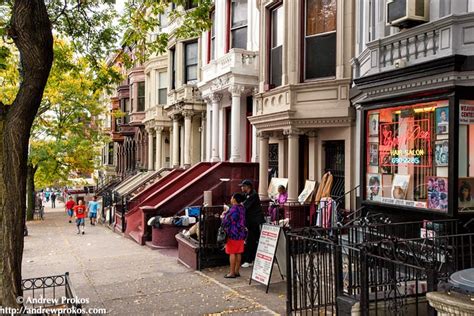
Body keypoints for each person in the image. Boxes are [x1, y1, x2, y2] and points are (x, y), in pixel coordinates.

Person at [239, 179, 265, 268]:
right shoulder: (247, 195)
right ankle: (254, 259)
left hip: (254, 221)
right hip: (251, 221)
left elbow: (244, 206)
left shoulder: (253, 195)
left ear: (247, 187)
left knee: (251, 240)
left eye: (243, 186)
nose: (241, 188)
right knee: (254, 239)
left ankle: (249, 260)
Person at [221, 193, 247, 278]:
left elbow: (226, 221)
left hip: (233, 233)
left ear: (235, 199)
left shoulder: (233, 209)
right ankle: (237, 271)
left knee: (232, 252)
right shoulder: (242, 208)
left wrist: (224, 214)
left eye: (232, 198)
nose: (231, 199)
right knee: (238, 252)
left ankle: (232, 272)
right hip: (241, 233)